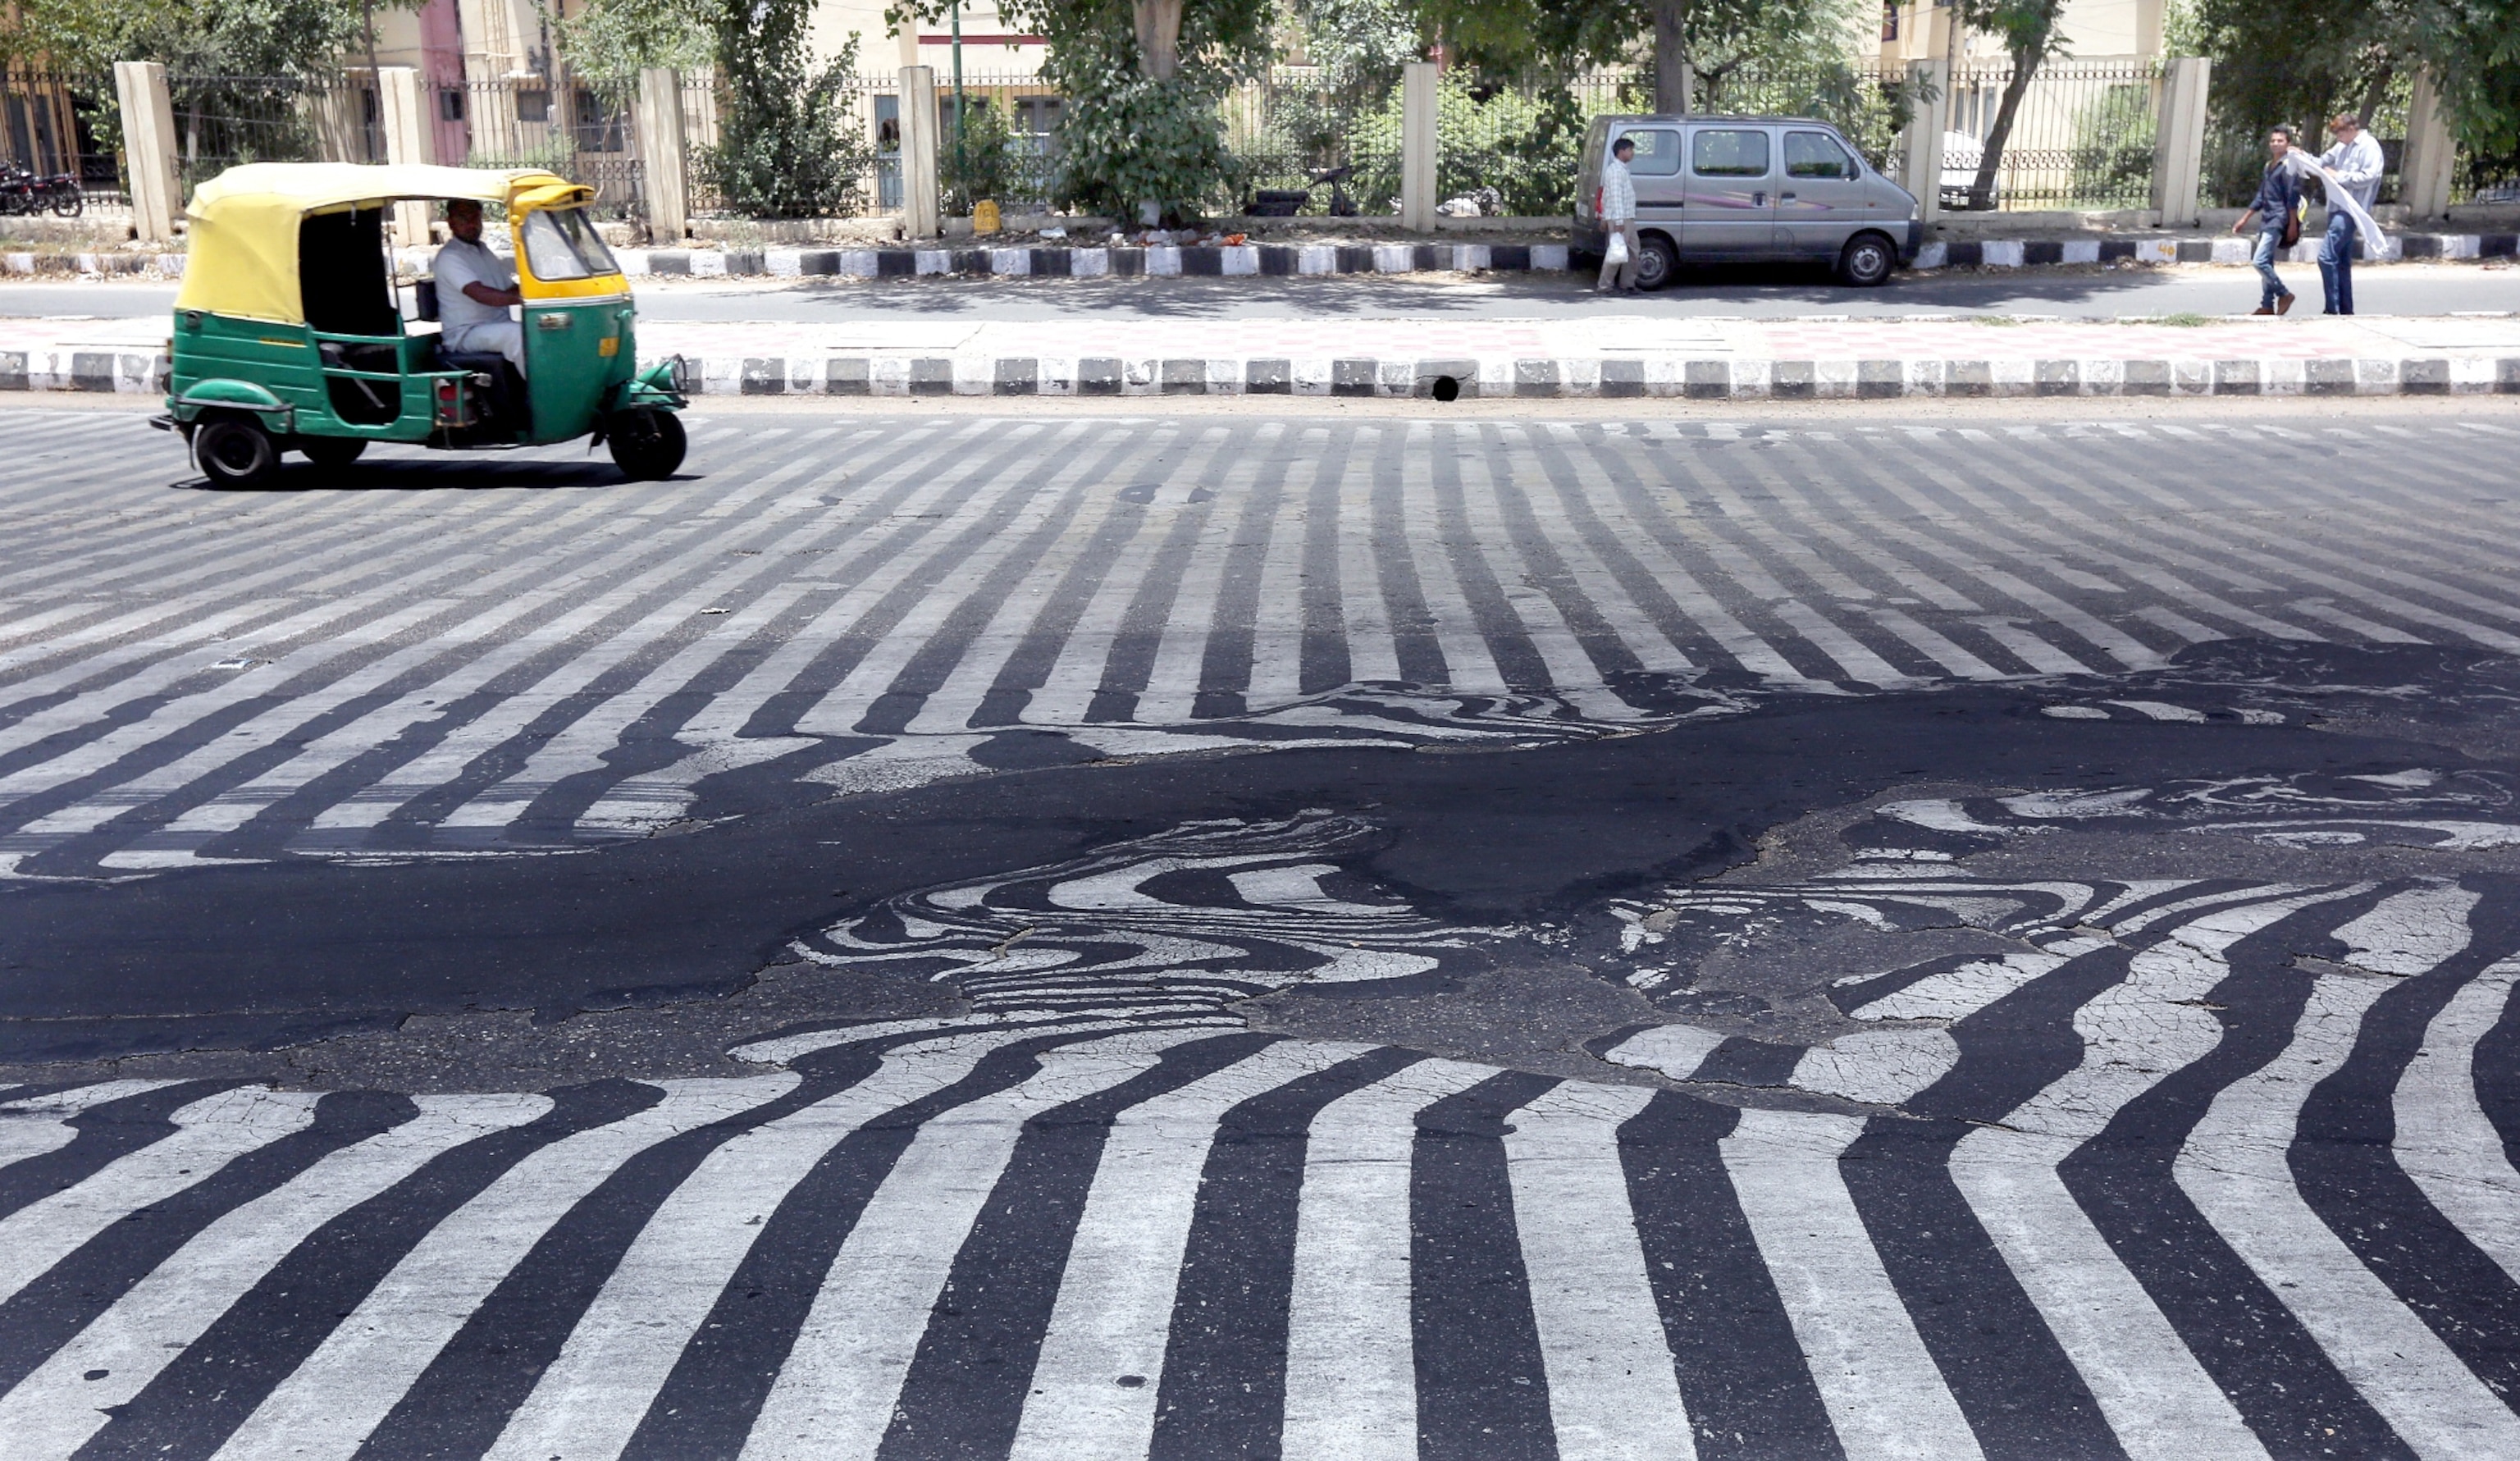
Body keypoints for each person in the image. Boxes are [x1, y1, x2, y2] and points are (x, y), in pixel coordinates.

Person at [434, 199, 525, 373]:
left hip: (494, 325)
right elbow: (480, 294)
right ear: (451, 222)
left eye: (475, 218)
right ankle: (545, 396)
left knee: (542, 328)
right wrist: (523, 297)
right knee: (518, 336)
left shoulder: (483, 251)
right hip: (465, 333)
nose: (471, 225)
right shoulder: (450, 257)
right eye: (463, 219)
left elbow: (509, 287)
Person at [2310, 112, 2383, 315]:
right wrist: (2300, 156)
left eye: (2339, 133)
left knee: (2326, 256)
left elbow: (2370, 176)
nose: (2337, 138)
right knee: (2341, 261)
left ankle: (2332, 310)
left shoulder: (2369, 146)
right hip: (2335, 208)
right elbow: (2322, 161)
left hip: (2352, 210)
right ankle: (2345, 311)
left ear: (2351, 129)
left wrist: (2339, 176)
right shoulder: (2342, 146)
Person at [2233, 126, 2300, 317]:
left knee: (2259, 261)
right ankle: (2267, 305)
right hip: (2267, 218)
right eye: (2273, 141)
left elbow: (2292, 197)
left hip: (2279, 219)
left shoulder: (2289, 166)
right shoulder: (2268, 166)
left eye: (2280, 141)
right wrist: (2245, 219)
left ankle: (2284, 294)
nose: (2275, 144)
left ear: (2288, 144)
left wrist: (2293, 223)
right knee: (2267, 263)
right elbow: (2261, 196)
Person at [1597, 135, 1640, 294]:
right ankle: (1605, 286)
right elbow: (1615, 197)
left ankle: (1628, 283)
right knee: (1616, 252)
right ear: (1621, 151)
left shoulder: (1622, 170)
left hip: (1627, 217)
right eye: (1630, 150)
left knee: (1633, 250)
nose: (1632, 153)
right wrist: (1618, 221)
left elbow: (1606, 196)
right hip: (1620, 218)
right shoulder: (1615, 171)